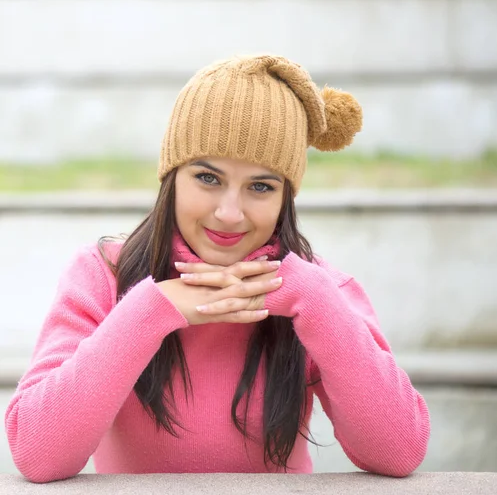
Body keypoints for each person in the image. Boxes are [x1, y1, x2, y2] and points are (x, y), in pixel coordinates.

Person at [5, 54, 430, 483]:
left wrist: (316, 302)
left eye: (260, 187)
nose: (229, 213)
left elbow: (400, 451)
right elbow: (37, 454)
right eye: (208, 178)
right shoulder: (103, 275)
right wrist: (152, 309)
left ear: (287, 198)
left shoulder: (320, 292)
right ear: (172, 177)